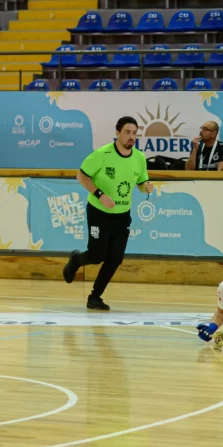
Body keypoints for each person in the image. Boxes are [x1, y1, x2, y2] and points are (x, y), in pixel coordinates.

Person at [62, 116, 154, 310]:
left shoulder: (139, 157)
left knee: (115, 258)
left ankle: (95, 297)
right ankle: (76, 259)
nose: (131, 137)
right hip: (99, 212)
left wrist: (147, 187)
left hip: (122, 215)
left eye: (134, 133)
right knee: (96, 255)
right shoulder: (102, 154)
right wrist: (100, 194)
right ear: (117, 133)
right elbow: (82, 176)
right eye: (127, 132)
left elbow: (141, 184)